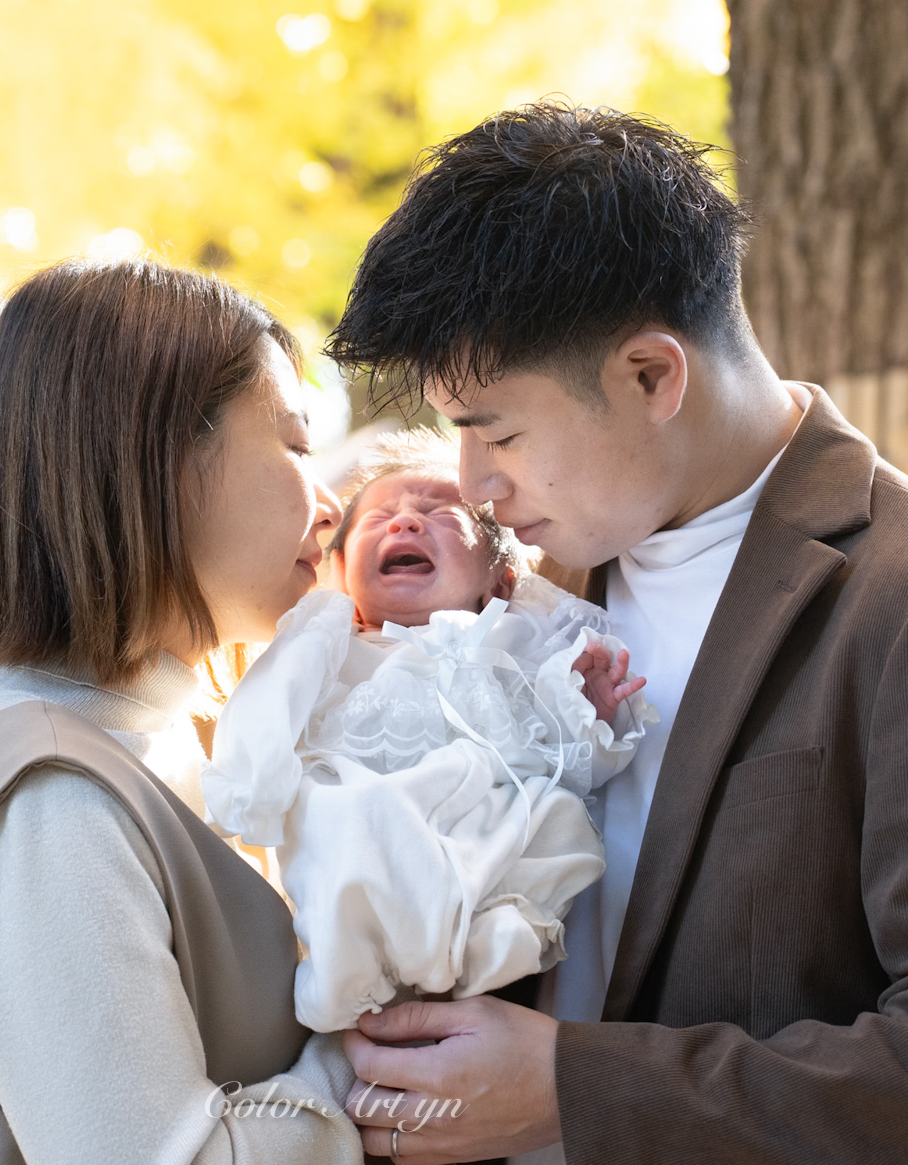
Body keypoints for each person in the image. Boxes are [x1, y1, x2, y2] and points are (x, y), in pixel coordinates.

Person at [321, 103, 908, 1164]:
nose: (473, 484)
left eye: (500, 433)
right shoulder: (528, 593)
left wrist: (576, 1088)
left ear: (652, 375)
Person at [0, 258, 365, 1164]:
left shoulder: (135, 735)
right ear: (157, 460)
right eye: (295, 446)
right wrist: (368, 1051)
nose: (329, 505)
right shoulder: (46, 798)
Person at [202, 428, 658, 1033]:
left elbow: (569, 766)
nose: (405, 522)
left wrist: (586, 708)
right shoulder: (331, 639)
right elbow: (269, 700)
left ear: (500, 581)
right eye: (378, 517)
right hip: (362, 819)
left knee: (559, 818)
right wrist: (249, 789)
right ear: (341, 575)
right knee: (341, 819)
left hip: (484, 852)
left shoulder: (517, 644)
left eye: (441, 513)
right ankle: (347, 975)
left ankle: (490, 943)